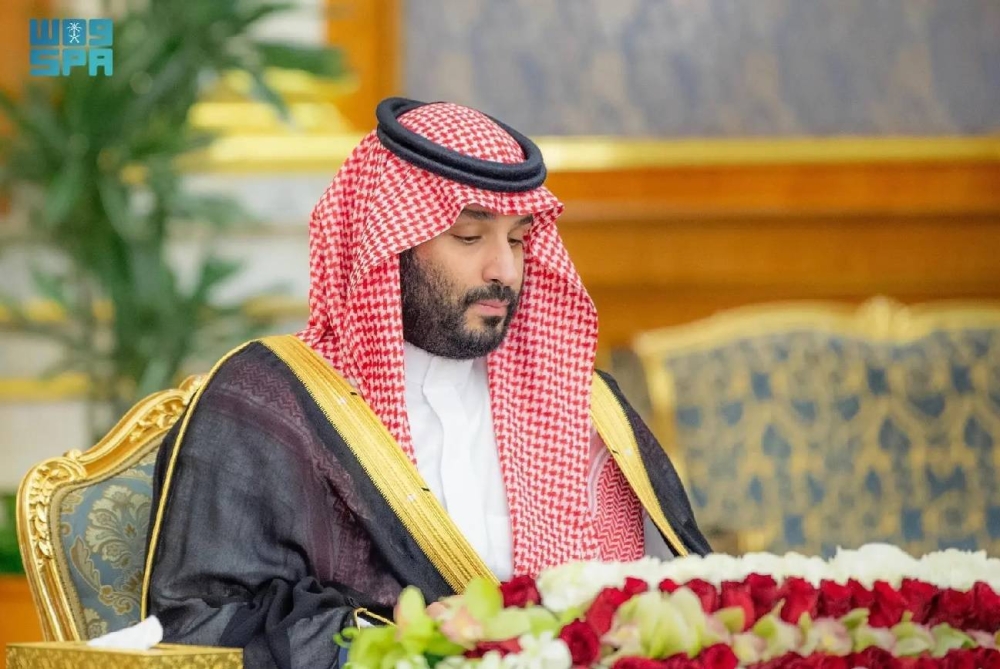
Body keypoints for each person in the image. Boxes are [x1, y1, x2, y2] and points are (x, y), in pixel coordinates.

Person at [140, 97, 710, 669]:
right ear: (388, 243)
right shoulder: (270, 401)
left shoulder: (577, 404)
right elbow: (198, 625)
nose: (504, 270)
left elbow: (676, 595)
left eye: (517, 239)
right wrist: (406, 645)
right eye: (469, 237)